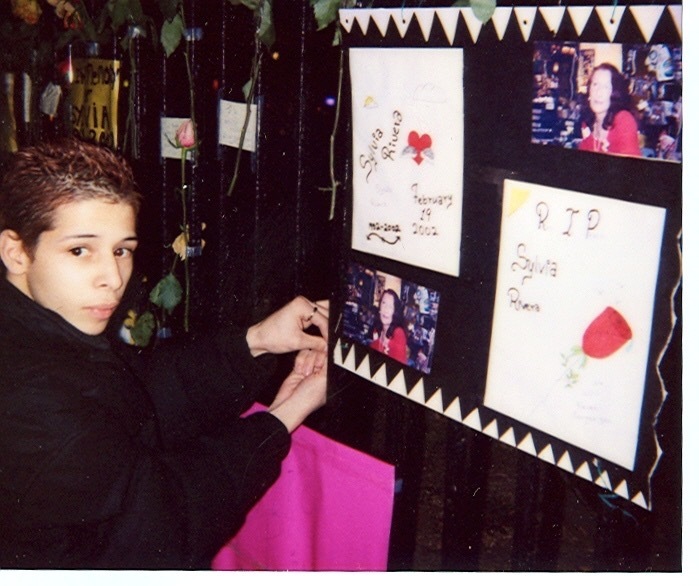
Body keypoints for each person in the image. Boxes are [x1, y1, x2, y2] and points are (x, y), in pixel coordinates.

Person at [0, 138, 329, 569]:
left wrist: (258, 339)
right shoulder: (30, 394)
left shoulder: (37, 325)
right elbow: (164, 523)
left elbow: (137, 391)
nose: (113, 278)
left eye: (122, 250)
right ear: (16, 251)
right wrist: (285, 416)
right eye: (80, 250)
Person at [578, 63, 641, 157]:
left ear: (614, 93)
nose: (598, 92)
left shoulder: (624, 120)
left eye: (606, 87)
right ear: (589, 91)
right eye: (595, 84)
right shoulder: (587, 125)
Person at [369, 288, 408, 365]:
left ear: (395, 312)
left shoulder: (398, 333)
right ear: (379, 307)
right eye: (383, 303)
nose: (386, 309)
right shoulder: (377, 331)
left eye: (390, 306)